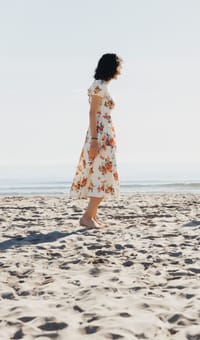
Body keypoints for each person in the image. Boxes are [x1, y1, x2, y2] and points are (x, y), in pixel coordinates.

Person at [70, 53, 122, 228]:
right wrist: (94, 139)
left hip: (103, 135)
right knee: (100, 174)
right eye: (118, 66)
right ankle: (86, 217)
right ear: (111, 67)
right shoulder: (99, 86)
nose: (120, 70)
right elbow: (92, 113)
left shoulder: (102, 86)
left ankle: (92, 216)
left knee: (100, 173)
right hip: (99, 136)